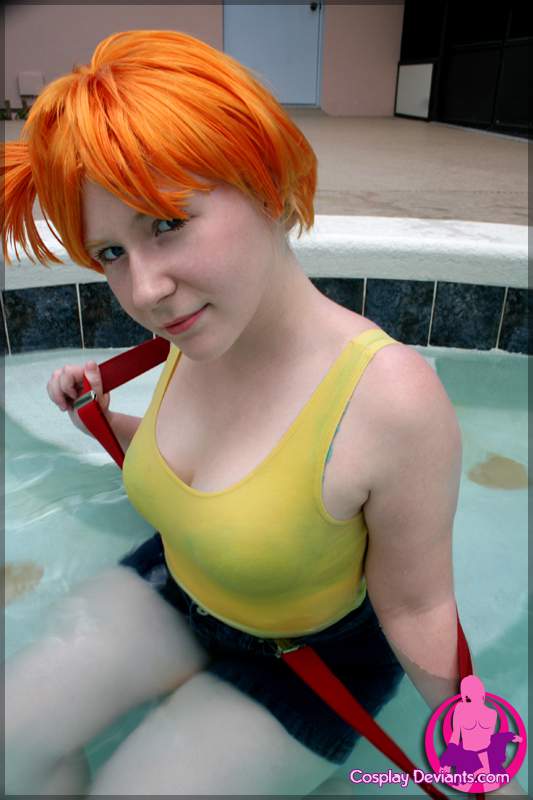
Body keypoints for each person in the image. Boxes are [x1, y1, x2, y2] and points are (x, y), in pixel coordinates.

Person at [2, 29, 524, 796]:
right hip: (177, 585)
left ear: (268, 186)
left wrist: (481, 764)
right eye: (111, 252)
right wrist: (105, 423)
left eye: (165, 222)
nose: (144, 291)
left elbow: (417, 606)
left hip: (313, 659)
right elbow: (228, 479)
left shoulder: (387, 401)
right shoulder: (197, 330)